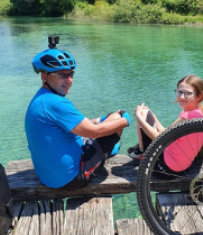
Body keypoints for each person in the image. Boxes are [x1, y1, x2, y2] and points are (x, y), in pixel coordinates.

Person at [25, 41, 130, 189]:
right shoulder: (56, 103)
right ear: (44, 76)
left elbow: (78, 125)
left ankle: (105, 147)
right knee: (117, 118)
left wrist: (101, 119)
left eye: (70, 74)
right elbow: (94, 131)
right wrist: (125, 120)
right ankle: (106, 151)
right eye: (62, 75)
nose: (69, 80)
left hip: (48, 176)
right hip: (72, 178)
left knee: (109, 118)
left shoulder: (42, 99)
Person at [128, 75, 203, 174]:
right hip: (181, 166)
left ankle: (141, 151)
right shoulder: (197, 112)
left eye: (188, 93)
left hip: (166, 170)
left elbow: (160, 138)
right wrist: (152, 115)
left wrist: (139, 117)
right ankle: (140, 151)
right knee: (146, 112)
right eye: (180, 92)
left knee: (143, 114)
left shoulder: (187, 116)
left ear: (199, 96)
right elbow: (166, 132)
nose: (182, 96)